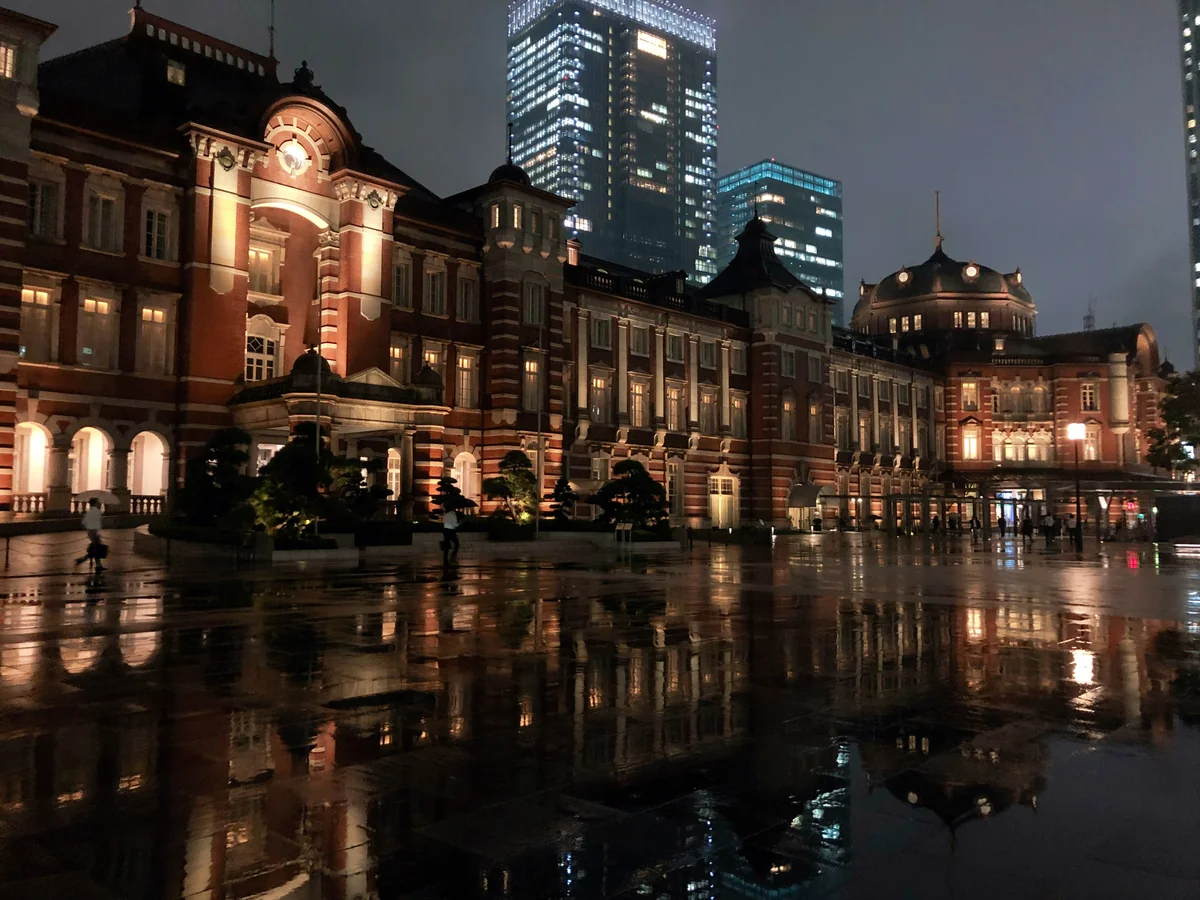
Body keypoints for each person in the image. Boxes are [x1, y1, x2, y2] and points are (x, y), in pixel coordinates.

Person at [76, 498, 105, 570]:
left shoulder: (88, 512)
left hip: (90, 532)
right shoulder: (97, 512)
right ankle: (83, 560)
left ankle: (98, 565)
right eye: (97, 502)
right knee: (96, 549)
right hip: (94, 532)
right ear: (95, 503)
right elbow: (99, 523)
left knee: (95, 548)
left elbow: (83, 523)